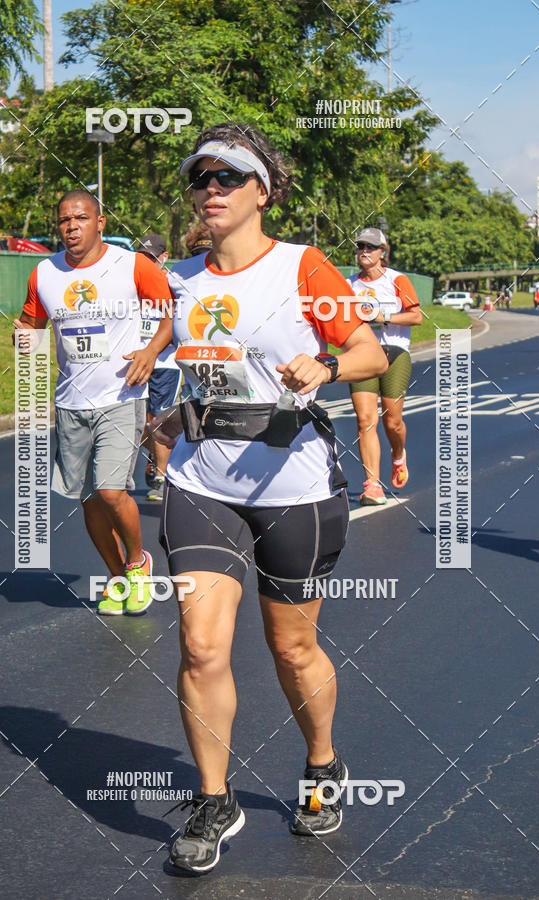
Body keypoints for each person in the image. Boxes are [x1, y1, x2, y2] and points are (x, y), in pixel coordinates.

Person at [151, 123, 388, 873]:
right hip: (202, 481)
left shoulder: (301, 268)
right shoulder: (180, 277)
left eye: (228, 177)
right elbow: (171, 349)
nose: (211, 190)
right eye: (201, 178)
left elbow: (369, 351)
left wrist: (322, 365)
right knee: (200, 644)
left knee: (291, 645)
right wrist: (161, 416)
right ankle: (214, 799)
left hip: (292, 483)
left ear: (262, 190)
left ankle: (322, 765)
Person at [13, 190, 173, 615]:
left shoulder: (132, 265)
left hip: (121, 394)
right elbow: (32, 323)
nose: (71, 227)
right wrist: (23, 336)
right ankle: (117, 578)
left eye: (80, 218)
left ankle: (138, 563)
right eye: (64, 220)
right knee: (88, 499)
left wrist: (151, 350)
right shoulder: (44, 273)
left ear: (100, 222)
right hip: (70, 402)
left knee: (110, 489)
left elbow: (172, 315)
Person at [346, 228, 422, 506]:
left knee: (393, 421)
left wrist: (383, 315)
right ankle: (372, 485)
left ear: (382, 252)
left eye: (371, 246)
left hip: (394, 353)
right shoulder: (348, 284)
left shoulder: (397, 280)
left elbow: (416, 317)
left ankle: (398, 455)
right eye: (360, 246)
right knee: (366, 420)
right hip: (362, 354)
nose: (364, 251)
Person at [135, 233, 182, 501]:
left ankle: (161, 479)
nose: (147, 263)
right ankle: (157, 456)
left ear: (163, 259)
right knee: (139, 422)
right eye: (143, 257)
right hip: (137, 360)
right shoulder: (131, 283)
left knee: (156, 420)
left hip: (165, 363)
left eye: (152, 259)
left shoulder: (173, 284)